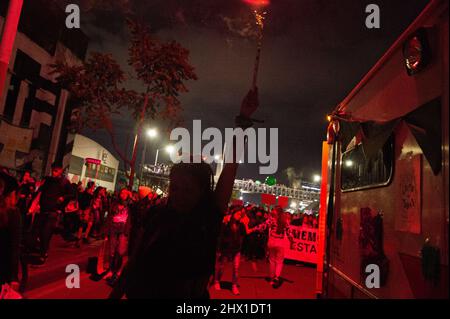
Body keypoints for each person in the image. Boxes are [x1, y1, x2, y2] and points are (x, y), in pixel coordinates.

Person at [110, 88, 259, 299]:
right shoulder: (156, 216)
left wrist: (243, 119)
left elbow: (230, 167)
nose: (179, 195)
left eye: (188, 189)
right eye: (175, 187)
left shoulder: (208, 218)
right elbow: (134, 262)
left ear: (202, 193)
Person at [33, 162, 73, 263]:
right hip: (43, 209)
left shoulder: (64, 182)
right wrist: (36, 204)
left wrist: (63, 199)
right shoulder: (48, 180)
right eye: (53, 170)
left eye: (56, 170)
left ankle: (43, 253)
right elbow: (40, 192)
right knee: (41, 232)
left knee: (45, 232)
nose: (54, 172)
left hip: (53, 211)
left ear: (60, 170)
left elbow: (72, 194)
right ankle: (44, 249)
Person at [249, 206, 292, 288]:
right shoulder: (285, 221)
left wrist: (252, 229)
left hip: (271, 241)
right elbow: (289, 233)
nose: (273, 211)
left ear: (276, 212)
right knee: (279, 261)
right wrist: (292, 241)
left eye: (274, 210)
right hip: (280, 243)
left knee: (272, 261)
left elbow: (262, 226)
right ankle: (276, 276)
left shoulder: (271, 220)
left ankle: (272, 279)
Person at [214, 207, 250, 295]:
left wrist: (245, 224)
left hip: (236, 249)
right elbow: (220, 236)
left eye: (240, 215)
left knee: (236, 268)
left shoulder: (240, 225)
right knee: (221, 267)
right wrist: (219, 249)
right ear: (233, 214)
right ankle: (217, 281)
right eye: (237, 214)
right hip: (225, 249)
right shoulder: (226, 223)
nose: (239, 216)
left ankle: (234, 285)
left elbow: (244, 234)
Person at [103, 188, 132, 286]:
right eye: (122, 193)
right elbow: (109, 217)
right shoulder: (114, 203)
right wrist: (106, 232)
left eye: (125, 193)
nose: (123, 194)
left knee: (120, 251)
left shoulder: (130, 205)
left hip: (123, 230)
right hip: (113, 229)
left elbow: (137, 208)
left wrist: (131, 197)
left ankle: (117, 271)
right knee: (111, 252)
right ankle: (111, 270)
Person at [0, 170, 22, 297]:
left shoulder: (11, 213)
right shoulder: (12, 213)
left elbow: (14, 246)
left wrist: (13, 276)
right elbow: (14, 247)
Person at [76, 181, 96, 246]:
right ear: (91, 186)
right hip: (85, 210)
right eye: (94, 185)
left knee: (89, 224)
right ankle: (78, 238)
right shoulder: (87, 193)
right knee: (82, 224)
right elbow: (82, 201)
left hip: (89, 210)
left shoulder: (89, 193)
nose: (94, 187)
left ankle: (85, 237)